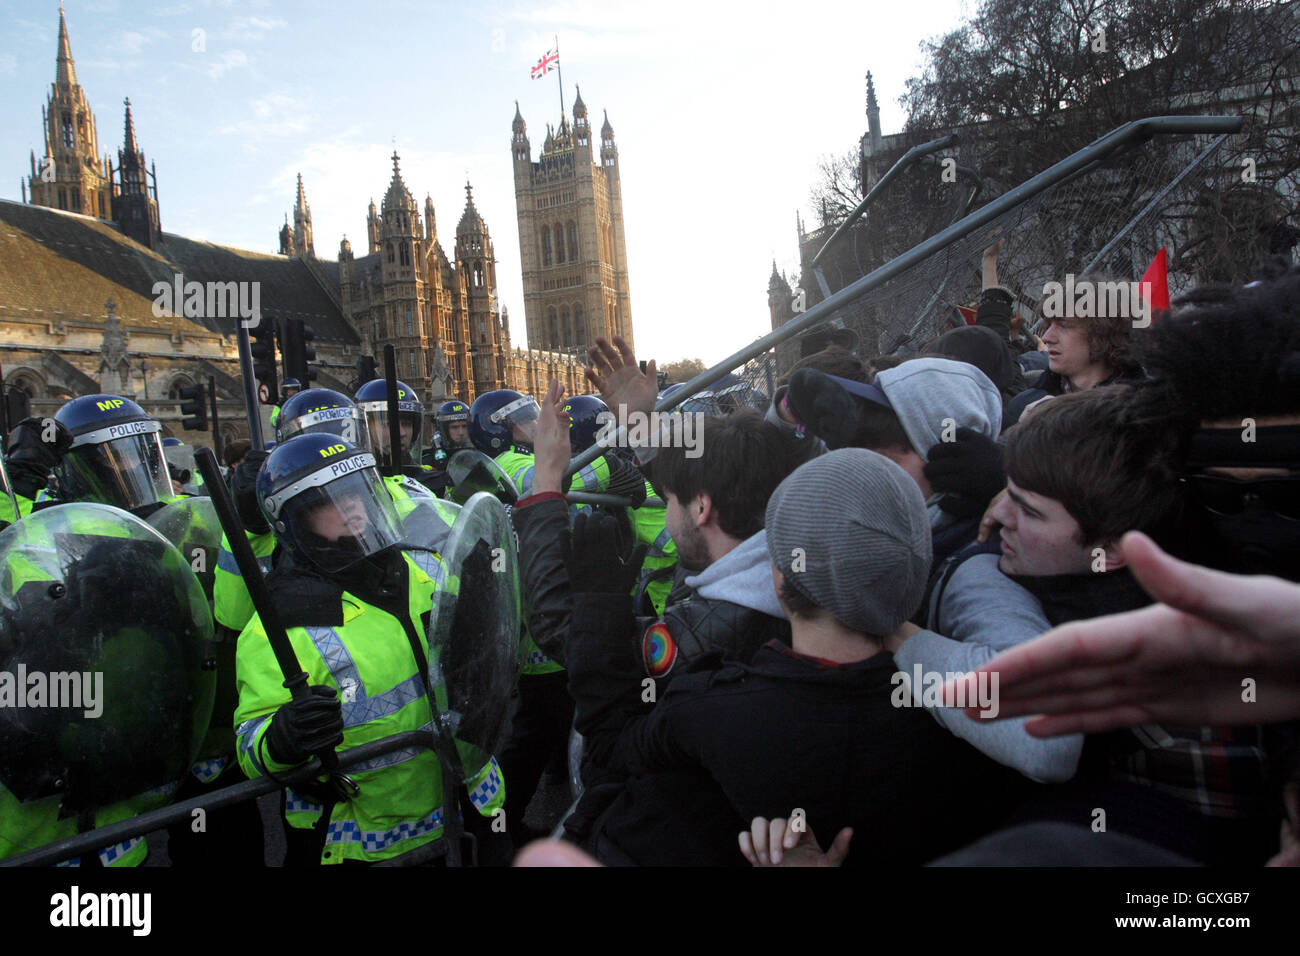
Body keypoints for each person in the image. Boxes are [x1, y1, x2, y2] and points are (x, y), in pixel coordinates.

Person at [564, 448, 1021, 866]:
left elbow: (606, 752)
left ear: (779, 577)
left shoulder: (708, 710)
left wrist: (597, 600)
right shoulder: (965, 734)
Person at [234, 433, 506, 865]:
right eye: (330, 502)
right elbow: (251, 745)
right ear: (296, 521)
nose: (352, 508)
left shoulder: (427, 564)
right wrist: (282, 738)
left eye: (357, 492)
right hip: (370, 836)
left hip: (472, 801)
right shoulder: (278, 627)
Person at [786, 357, 1007, 571]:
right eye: (859, 455)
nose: (862, 476)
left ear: (953, 461)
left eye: (885, 462)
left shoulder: (983, 565)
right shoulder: (862, 528)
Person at [355, 378, 442, 494]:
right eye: (388, 424)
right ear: (364, 427)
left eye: (406, 424)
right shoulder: (356, 487)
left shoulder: (435, 482)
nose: (401, 433)